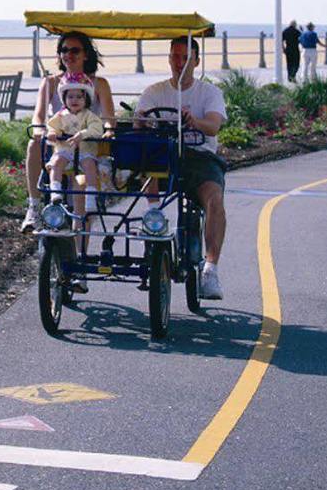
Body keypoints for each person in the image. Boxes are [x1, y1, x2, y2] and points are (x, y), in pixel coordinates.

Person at [133, 35, 227, 299]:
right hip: (164, 157)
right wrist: (141, 121)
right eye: (175, 56)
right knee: (148, 166)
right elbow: (140, 119)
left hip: (199, 157)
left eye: (186, 57)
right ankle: (154, 222)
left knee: (214, 200)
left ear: (197, 61)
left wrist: (194, 121)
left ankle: (211, 269)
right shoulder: (154, 91)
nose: (179, 63)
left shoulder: (209, 93)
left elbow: (214, 125)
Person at [22, 31, 115, 232]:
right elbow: (38, 115)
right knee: (33, 144)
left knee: (79, 187)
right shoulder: (50, 82)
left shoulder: (99, 84)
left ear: (86, 55)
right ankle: (34, 206)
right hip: (59, 144)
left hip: (87, 145)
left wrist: (107, 131)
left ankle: (79, 249)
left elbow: (108, 118)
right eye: (64, 50)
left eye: (75, 50)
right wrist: (40, 130)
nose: (68, 55)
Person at [44, 79, 109, 285]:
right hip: (66, 151)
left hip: (84, 152)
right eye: (70, 97)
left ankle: (91, 196)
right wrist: (53, 135)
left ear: (86, 99)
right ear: (64, 99)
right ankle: (55, 191)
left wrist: (83, 134)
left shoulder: (89, 116)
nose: (74, 101)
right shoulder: (61, 115)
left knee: (90, 165)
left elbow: (97, 129)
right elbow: (50, 129)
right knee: (56, 162)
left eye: (79, 97)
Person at [281, 19, 301, 84]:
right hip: (295, 49)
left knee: (289, 64)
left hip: (288, 49)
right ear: (295, 24)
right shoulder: (297, 31)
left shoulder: (285, 31)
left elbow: (281, 40)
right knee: (296, 64)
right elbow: (301, 39)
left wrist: (283, 48)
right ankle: (293, 76)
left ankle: (290, 77)